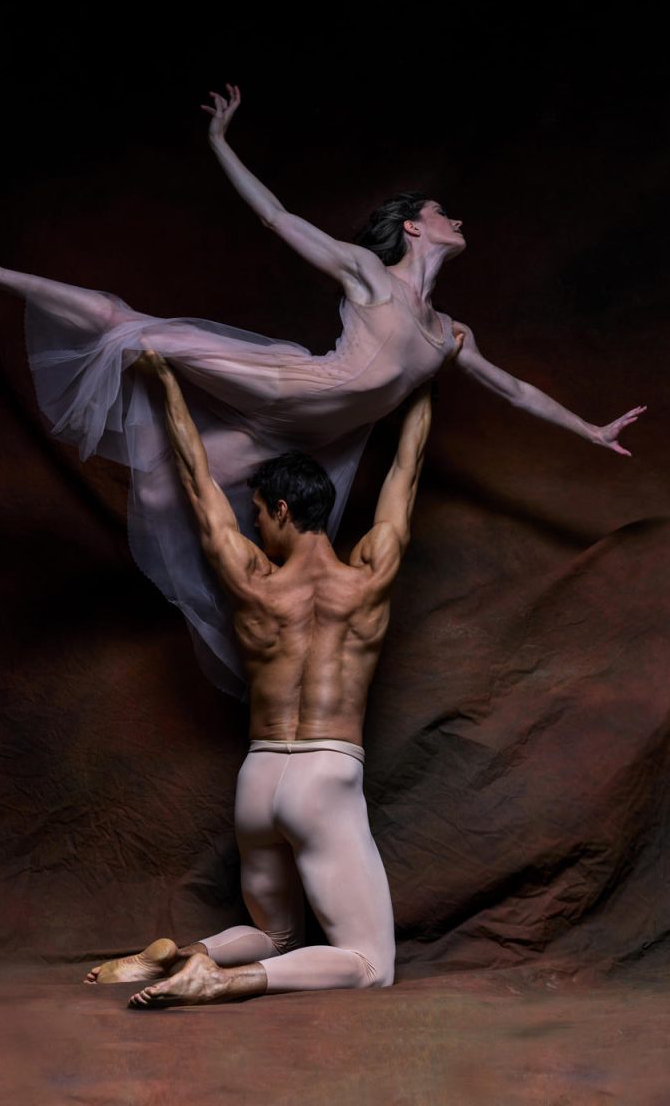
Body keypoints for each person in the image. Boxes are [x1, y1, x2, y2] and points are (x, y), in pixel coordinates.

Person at [0, 84, 644, 696]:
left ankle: (237, 638)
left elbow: (514, 391)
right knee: (129, 329)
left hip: (307, 436)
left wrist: (589, 429)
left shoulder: (452, 333)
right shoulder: (371, 274)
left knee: (156, 494)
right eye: (444, 213)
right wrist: (219, 140)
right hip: (288, 384)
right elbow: (276, 217)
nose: (457, 221)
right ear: (413, 227)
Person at [83, 349, 433, 1007]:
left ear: (277, 508)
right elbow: (405, 475)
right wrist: (424, 384)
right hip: (325, 777)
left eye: (257, 513)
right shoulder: (369, 578)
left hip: (260, 777)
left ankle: (188, 953)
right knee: (370, 964)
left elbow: (196, 481)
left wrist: (165, 384)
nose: (251, 523)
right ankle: (222, 980)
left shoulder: (254, 581)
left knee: (276, 932)